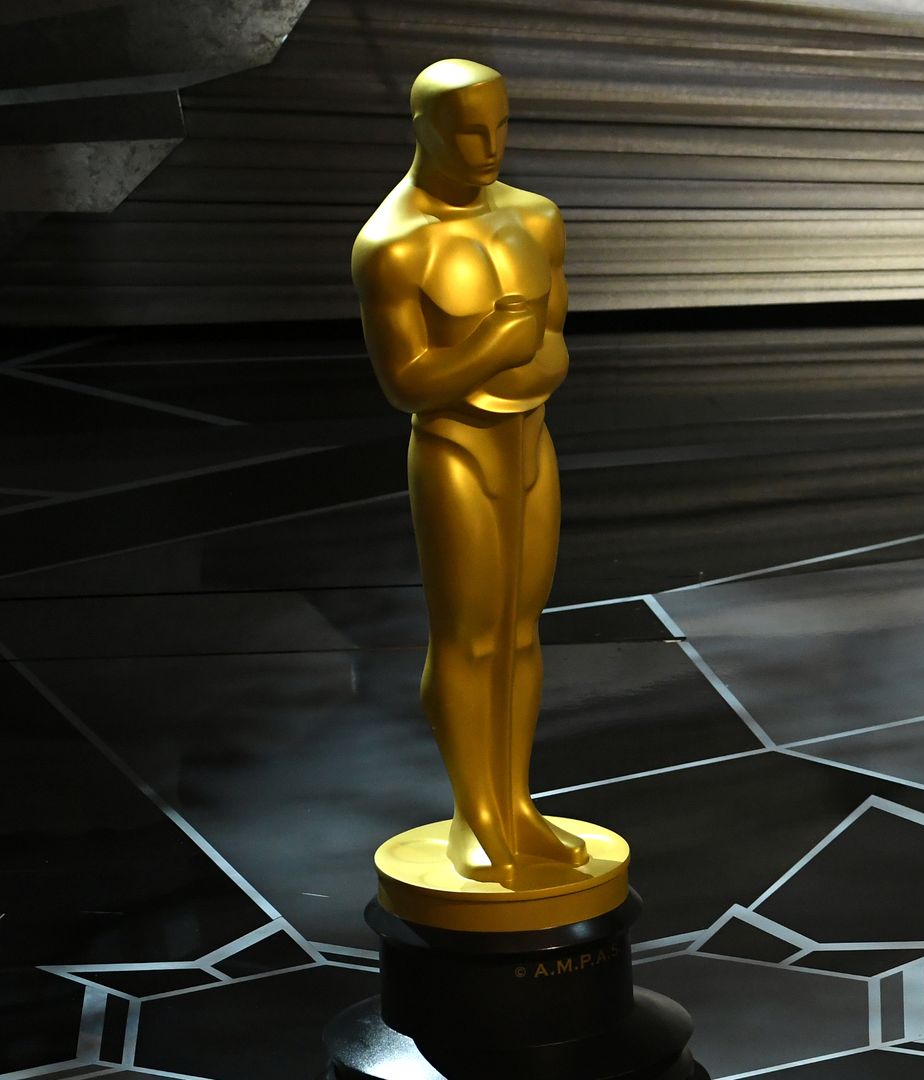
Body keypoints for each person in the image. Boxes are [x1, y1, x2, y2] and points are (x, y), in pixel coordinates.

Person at [351, 59, 588, 884]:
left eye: (500, 128)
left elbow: (555, 345)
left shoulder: (536, 218)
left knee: (522, 631)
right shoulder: (393, 244)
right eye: (467, 133)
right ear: (422, 129)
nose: (488, 148)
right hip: (454, 448)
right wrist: (495, 344)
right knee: (469, 634)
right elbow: (404, 383)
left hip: (530, 443)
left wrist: (517, 354)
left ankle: (514, 799)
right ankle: (473, 812)